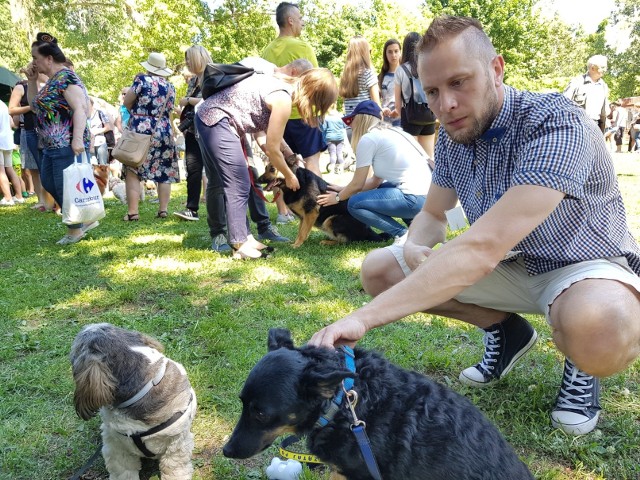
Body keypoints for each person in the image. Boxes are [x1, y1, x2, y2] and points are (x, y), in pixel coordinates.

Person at [310, 15, 640, 437]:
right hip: (506, 263)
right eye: (432, 90)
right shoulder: (452, 135)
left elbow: (482, 246)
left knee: (601, 326)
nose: (445, 104)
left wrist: (364, 319)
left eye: (459, 83)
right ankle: (506, 331)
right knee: (380, 270)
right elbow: (432, 215)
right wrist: (416, 246)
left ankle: (581, 360)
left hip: (581, 265)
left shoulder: (555, 122)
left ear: (496, 69)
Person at [195, 67, 338, 259]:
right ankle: (240, 243)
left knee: (241, 180)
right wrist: (289, 175)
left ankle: (245, 238)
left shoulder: (282, 86)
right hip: (217, 120)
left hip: (211, 118)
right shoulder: (283, 99)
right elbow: (271, 149)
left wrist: (289, 155)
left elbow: (273, 138)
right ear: (313, 94)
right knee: (238, 182)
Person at [317, 100, 431, 239]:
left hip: (415, 199)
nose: (350, 126)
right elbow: (374, 182)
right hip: (430, 197)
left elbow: (357, 184)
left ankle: (402, 235)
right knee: (386, 186)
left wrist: (336, 198)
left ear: (359, 119)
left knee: (354, 204)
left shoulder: (369, 139)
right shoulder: (396, 132)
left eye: (350, 121)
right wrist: (342, 188)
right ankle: (418, 230)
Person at [25, 32, 96, 244]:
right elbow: (35, 107)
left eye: (35, 58)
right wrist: (31, 81)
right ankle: (84, 220)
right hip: (49, 143)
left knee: (63, 184)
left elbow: (80, 109)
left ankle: (75, 230)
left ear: (48, 58)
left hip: (65, 142)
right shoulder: (50, 81)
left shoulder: (66, 78)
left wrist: (76, 140)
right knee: (48, 181)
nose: (33, 62)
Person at [262, 1, 324, 228]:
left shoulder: (267, 50)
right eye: (299, 18)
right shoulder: (303, 47)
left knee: (278, 164)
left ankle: (283, 213)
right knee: (312, 161)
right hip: (303, 114)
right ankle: (318, 205)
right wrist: (315, 112)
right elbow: (315, 82)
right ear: (290, 20)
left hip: (276, 116)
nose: (302, 22)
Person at [121, 52, 180, 221]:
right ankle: (163, 210)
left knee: (133, 168)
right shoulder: (170, 87)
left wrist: (139, 114)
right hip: (163, 130)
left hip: (140, 128)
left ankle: (133, 212)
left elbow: (127, 102)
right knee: (165, 169)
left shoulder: (141, 81)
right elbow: (169, 110)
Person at [394, 32, 437, 159]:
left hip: (410, 118)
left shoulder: (401, 70)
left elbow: (397, 104)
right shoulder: (429, 67)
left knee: (411, 159)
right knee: (429, 158)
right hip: (429, 116)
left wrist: (403, 119)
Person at [563, 54, 609, 133]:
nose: (605, 70)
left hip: (595, 126)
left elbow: (604, 112)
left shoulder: (603, 86)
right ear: (593, 68)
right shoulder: (577, 82)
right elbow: (563, 103)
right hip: (577, 125)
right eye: (603, 67)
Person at [340, 35, 380, 119]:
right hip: (366, 124)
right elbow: (376, 106)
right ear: (364, 52)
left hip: (351, 125)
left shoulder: (345, 76)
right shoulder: (368, 74)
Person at [0, 100, 25, 206]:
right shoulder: (3, 104)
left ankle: (8, 198)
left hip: (0, 141)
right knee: (9, 168)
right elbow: (12, 123)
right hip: (8, 140)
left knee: (1, 170)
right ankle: (19, 196)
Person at [378, 38, 401, 127]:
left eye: (396, 51)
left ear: (400, 52)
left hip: (402, 121)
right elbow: (376, 100)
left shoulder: (405, 74)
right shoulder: (381, 77)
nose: (393, 55)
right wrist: (382, 109)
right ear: (385, 54)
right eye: (390, 52)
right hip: (385, 122)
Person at [320, 104, 346, 174]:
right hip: (340, 137)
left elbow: (324, 128)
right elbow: (344, 125)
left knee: (332, 153)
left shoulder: (326, 117)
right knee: (339, 153)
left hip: (330, 137)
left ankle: (331, 169)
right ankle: (341, 169)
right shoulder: (340, 115)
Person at [88, 98, 113, 166]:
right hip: (89, 143)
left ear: (92, 104)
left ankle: (103, 176)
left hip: (100, 142)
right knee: (92, 165)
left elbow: (108, 127)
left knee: (103, 165)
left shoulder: (99, 113)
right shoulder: (83, 114)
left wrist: (95, 131)